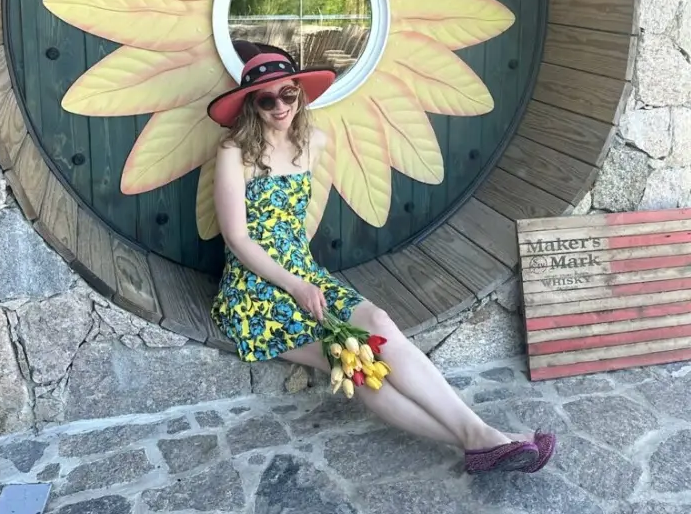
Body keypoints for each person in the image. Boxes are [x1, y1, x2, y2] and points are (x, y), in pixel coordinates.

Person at [207, 41, 555, 474]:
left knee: (380, 327)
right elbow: (238, 238)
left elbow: (297, 223)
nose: (280, 106)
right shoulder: (233, 152)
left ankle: (482, 437)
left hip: (303, 274)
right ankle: (485, 439)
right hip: (255, 290)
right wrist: (295, 285)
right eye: (266, 99)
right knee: (353, 363)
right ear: (250, 106)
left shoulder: (314, 140)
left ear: (300, 91)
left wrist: (304, 277)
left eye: (288, 94)